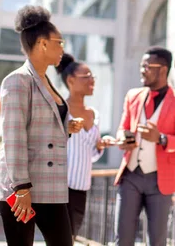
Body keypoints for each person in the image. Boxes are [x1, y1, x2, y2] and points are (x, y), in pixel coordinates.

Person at [0, 5, 84, 246]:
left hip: (51, 184)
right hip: (21, 186)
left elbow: (43, 127)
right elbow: (13, 136)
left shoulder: (46, 81)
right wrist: (21, 187)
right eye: (59, 42)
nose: (63, 48)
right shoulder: (18, 80)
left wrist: (67, 128)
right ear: (43, 43)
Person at [113, 47, 175, 246]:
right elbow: (121, 129)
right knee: (122, 238)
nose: (142, 70)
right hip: (130, 176)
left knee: (157, 240)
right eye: (142, 65)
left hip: (161, 180)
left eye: (148, 66)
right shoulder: (133, 96)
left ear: (163, 69)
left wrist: (162, 139)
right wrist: (123, 138)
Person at [55, 53, 109, 239]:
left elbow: (91, 154)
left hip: (82, 186)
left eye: (92, 76)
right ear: (70, 80)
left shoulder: (94, 114)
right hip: (59, 184)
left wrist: (100, 146)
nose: (91, 80)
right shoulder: (59, 109)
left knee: (71, 236)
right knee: (60, 238)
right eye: (86, 77)